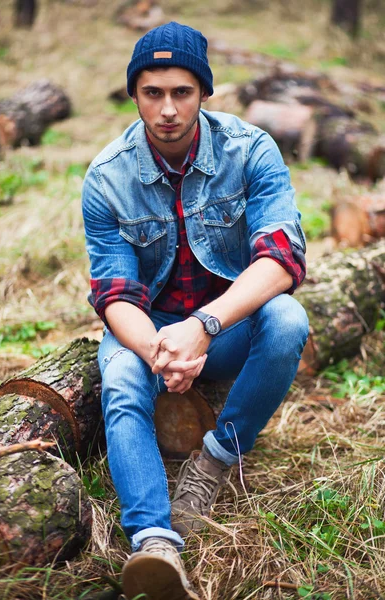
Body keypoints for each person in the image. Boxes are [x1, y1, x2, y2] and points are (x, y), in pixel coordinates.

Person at [82, 21, 309, 600]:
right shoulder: (107, 178)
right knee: (121, 379)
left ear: (205, 93)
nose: (166, 110)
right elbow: (115, 295)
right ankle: (155, 543)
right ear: (134, 94)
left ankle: (212, 461)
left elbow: (281, 261)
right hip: (150, 333)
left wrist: (203, 327)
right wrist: (159, 349)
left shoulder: (251, 150)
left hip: (224, 326)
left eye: (181, 92)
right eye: (152, 92)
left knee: (287, 320)